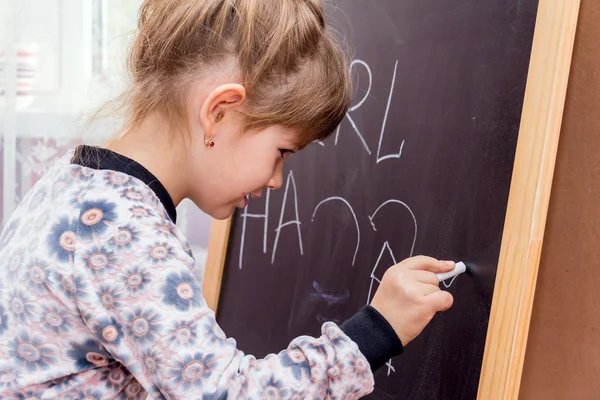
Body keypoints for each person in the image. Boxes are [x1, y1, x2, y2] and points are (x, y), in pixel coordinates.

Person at [0, 0, 454, 398]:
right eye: (282, 153)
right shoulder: (122, 232)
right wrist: (377, 330)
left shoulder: (75, 184)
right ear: (218, 112)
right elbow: (227, 393)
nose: (276, 180)